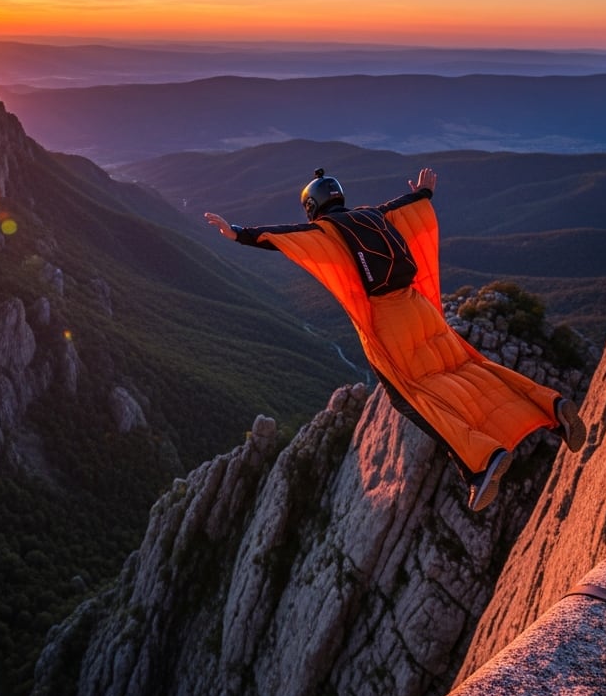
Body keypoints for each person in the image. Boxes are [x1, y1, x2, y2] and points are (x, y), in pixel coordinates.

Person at [204, 167, 586, 511]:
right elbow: (405, 205)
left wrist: (237, 233)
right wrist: (424, 193)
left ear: (312, 208)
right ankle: (550, 407)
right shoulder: (373, 214)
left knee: (413, 396)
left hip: (391, 318)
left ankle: (482, 461)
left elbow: (284, 237)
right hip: (421, 307)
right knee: (470, 366)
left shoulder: (327, 230)